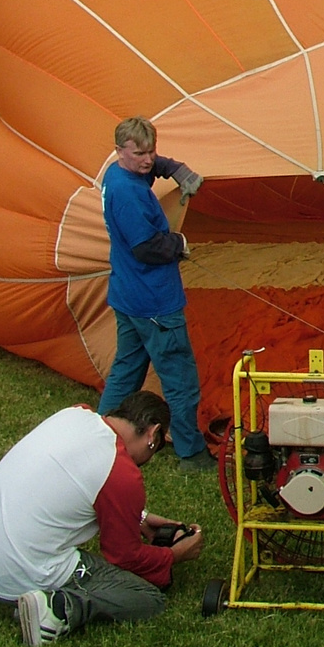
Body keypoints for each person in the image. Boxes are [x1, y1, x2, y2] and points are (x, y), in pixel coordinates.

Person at [0, 391, 204, 647]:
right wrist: (174, 555)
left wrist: (138, 517)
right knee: (146, 598)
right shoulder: (121, 473)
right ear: (152, 434)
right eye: (160, 446)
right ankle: (58, 609)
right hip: (16, 571)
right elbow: (125, 557)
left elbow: (70, 486)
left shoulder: (75, 414)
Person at [97, 116, 213, 471]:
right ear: (120, 151)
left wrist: (175, 169)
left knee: (126, 369)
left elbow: (153, 168)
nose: (148, 160)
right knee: (180, 380)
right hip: (154, 301)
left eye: (152, 152)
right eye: (140, 154)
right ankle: (191, 453)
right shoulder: (128, 194)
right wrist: (178, 242)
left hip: (127, 295)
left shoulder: (119, 174)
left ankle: (98, 435)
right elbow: (146, 247)